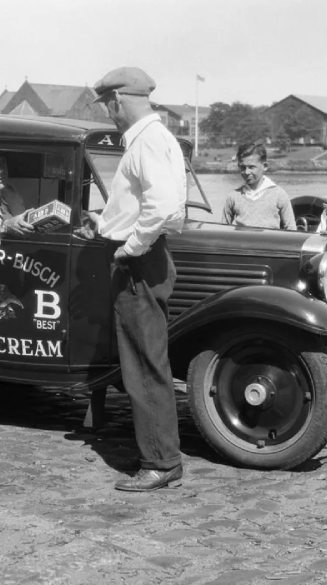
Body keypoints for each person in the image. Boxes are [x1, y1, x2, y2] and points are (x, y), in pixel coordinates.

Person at [81, 66, 187, 492]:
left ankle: (160, 463)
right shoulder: (156, 140)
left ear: (117, 101)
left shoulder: (146, 142)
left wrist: (129, 247)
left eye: (107, 104)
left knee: (143, 365)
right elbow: (162, 207)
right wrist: (107, 224)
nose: (108, 113)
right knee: (146, 360)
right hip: (146, 256)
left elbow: (162, 209)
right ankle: (161, 457)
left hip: (138, 263)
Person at [221, 143, 296, 230]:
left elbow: (291, 230)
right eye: (243, 167)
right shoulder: (233, 196)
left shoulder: (279, 195)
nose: (246, 172)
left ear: (264, 166)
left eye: (251, 167)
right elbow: (223, 230)